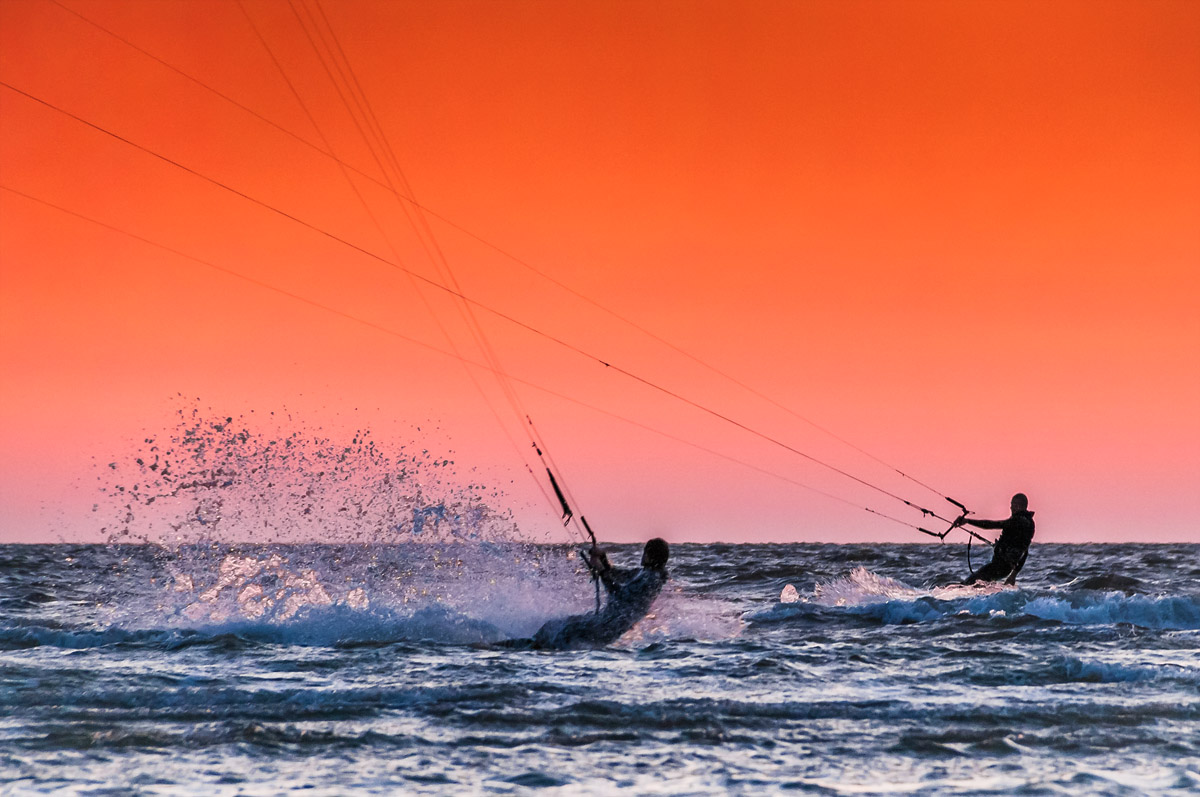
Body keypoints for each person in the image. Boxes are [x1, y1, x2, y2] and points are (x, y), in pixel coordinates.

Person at [525, 538, 670, 649]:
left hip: (608, 628)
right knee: (557, 624)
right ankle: (530, 644)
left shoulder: (651, 579)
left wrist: (600, 570)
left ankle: (534, 649)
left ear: (651, 556)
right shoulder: (644, 573)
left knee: (565, 631)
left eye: (645, 552)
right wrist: (603, 559)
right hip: (604, 619)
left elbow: (619, 595)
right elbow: (616, 574)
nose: (642, 556)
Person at [958, 493, 1035, 585]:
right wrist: (1013, 575)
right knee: (976, 585)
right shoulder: (1029, 523)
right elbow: (1024, 551)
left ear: (1020, 505)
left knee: (967, 584)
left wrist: (967, 521)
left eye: (1013, 505)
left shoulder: (1018, 521)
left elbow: (992, 524)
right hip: (1003, 568)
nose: (1011, 508)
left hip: (999, 567)